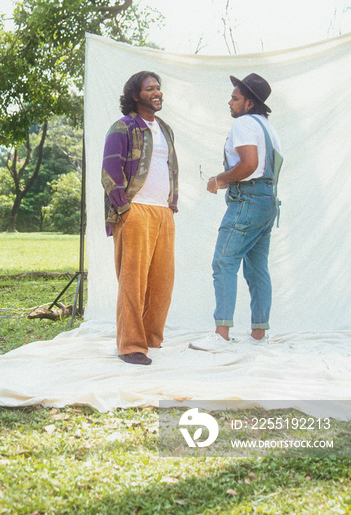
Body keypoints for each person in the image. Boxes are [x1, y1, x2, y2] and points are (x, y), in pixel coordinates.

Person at [190, 73, 283, 352]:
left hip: (247, 201)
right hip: (268, 201)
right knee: (257, 269)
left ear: (249, 104)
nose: (229, 102)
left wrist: (218, 180)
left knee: (224, 262)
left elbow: (249, 165)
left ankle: (220, 335)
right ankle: (258, 335)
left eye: (235, 98)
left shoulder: (244, 123)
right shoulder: (269, 127)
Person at [102, 71, 179, 365]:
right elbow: (110, 171)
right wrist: (124, 208)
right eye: (150, 89)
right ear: (136, 95)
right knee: (132, 282)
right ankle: (130, 345)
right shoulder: (122, 128)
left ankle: (149, 338)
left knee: (162, 281)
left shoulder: (165, 129)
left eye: (159, 88)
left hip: (163, 211)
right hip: (135, 211)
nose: (157, 92)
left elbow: (171, 169)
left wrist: (171, 205)